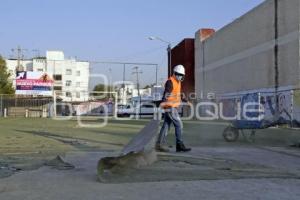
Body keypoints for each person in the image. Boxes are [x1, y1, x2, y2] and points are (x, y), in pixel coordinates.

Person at [156, 65, 191, 152]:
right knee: (179, 124)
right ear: (175, 73)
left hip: (173, 107)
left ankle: (159, 144)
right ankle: (179, 145)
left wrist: (186, 101)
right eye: (179, 74)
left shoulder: (178, 82)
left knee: (166, 126)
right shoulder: (170, 82)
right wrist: (163, 103)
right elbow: (166, 94)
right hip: (170, 107)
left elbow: (179, 94)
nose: (181, 76)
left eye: (182, 75)